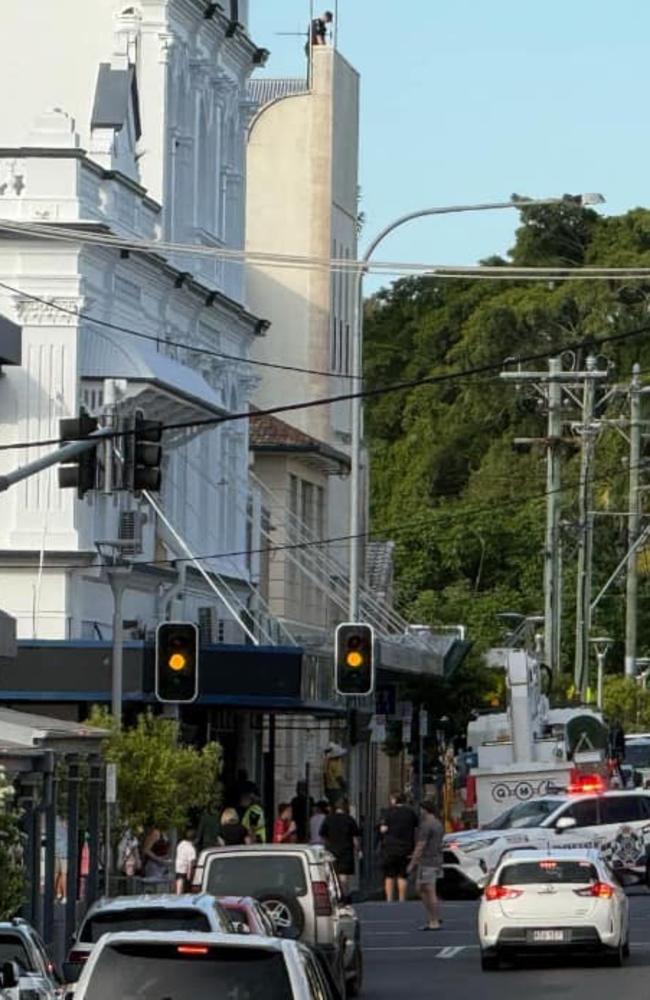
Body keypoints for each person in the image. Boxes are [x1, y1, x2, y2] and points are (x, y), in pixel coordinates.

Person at [408, 800, 444, 931]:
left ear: (425, 810)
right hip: (436, 860)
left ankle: (434, 920)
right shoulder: (438, 824)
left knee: (429, 890)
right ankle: (433, 917)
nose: (419, 812)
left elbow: (421, 845)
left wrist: (412, 863)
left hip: (428, 861)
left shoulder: (426, 825)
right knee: (421, 888)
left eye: (421, 809)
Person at [379, 792, 418, 902]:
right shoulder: (410, 813)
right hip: (406, 848)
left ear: (394, 800)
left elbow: (383, 829)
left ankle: (389, 899)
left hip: (390, 847)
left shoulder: (388, 812)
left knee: (389, 875)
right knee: (402, 874)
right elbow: (416, 829)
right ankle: (402, 898)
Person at [320, 798, 360, 892]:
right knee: (343, 876)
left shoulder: (328, 819)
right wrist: (358, 850)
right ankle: (343, 895)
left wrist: (326, 846)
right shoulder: (350, 820)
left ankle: (333, 895)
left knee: (331, 874)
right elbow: (355, 839)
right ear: (345, 807)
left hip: (331, 850)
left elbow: (322, 835)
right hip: (346, 851)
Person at [175, 828, 197, 894]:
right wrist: (189, 876)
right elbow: (191, 863)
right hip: (185, 872)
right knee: (185, 892)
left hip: (178, 870)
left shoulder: (180, 844)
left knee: (178, 890)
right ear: (195, 839)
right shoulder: (191, 849)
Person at [54, 815, 68, 903]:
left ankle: (57, 894)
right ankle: (64, 895)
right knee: (63, 874)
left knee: (56, 874)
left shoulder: (56, 820)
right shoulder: (66, 821)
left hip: (56, 850)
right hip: (65, 851)